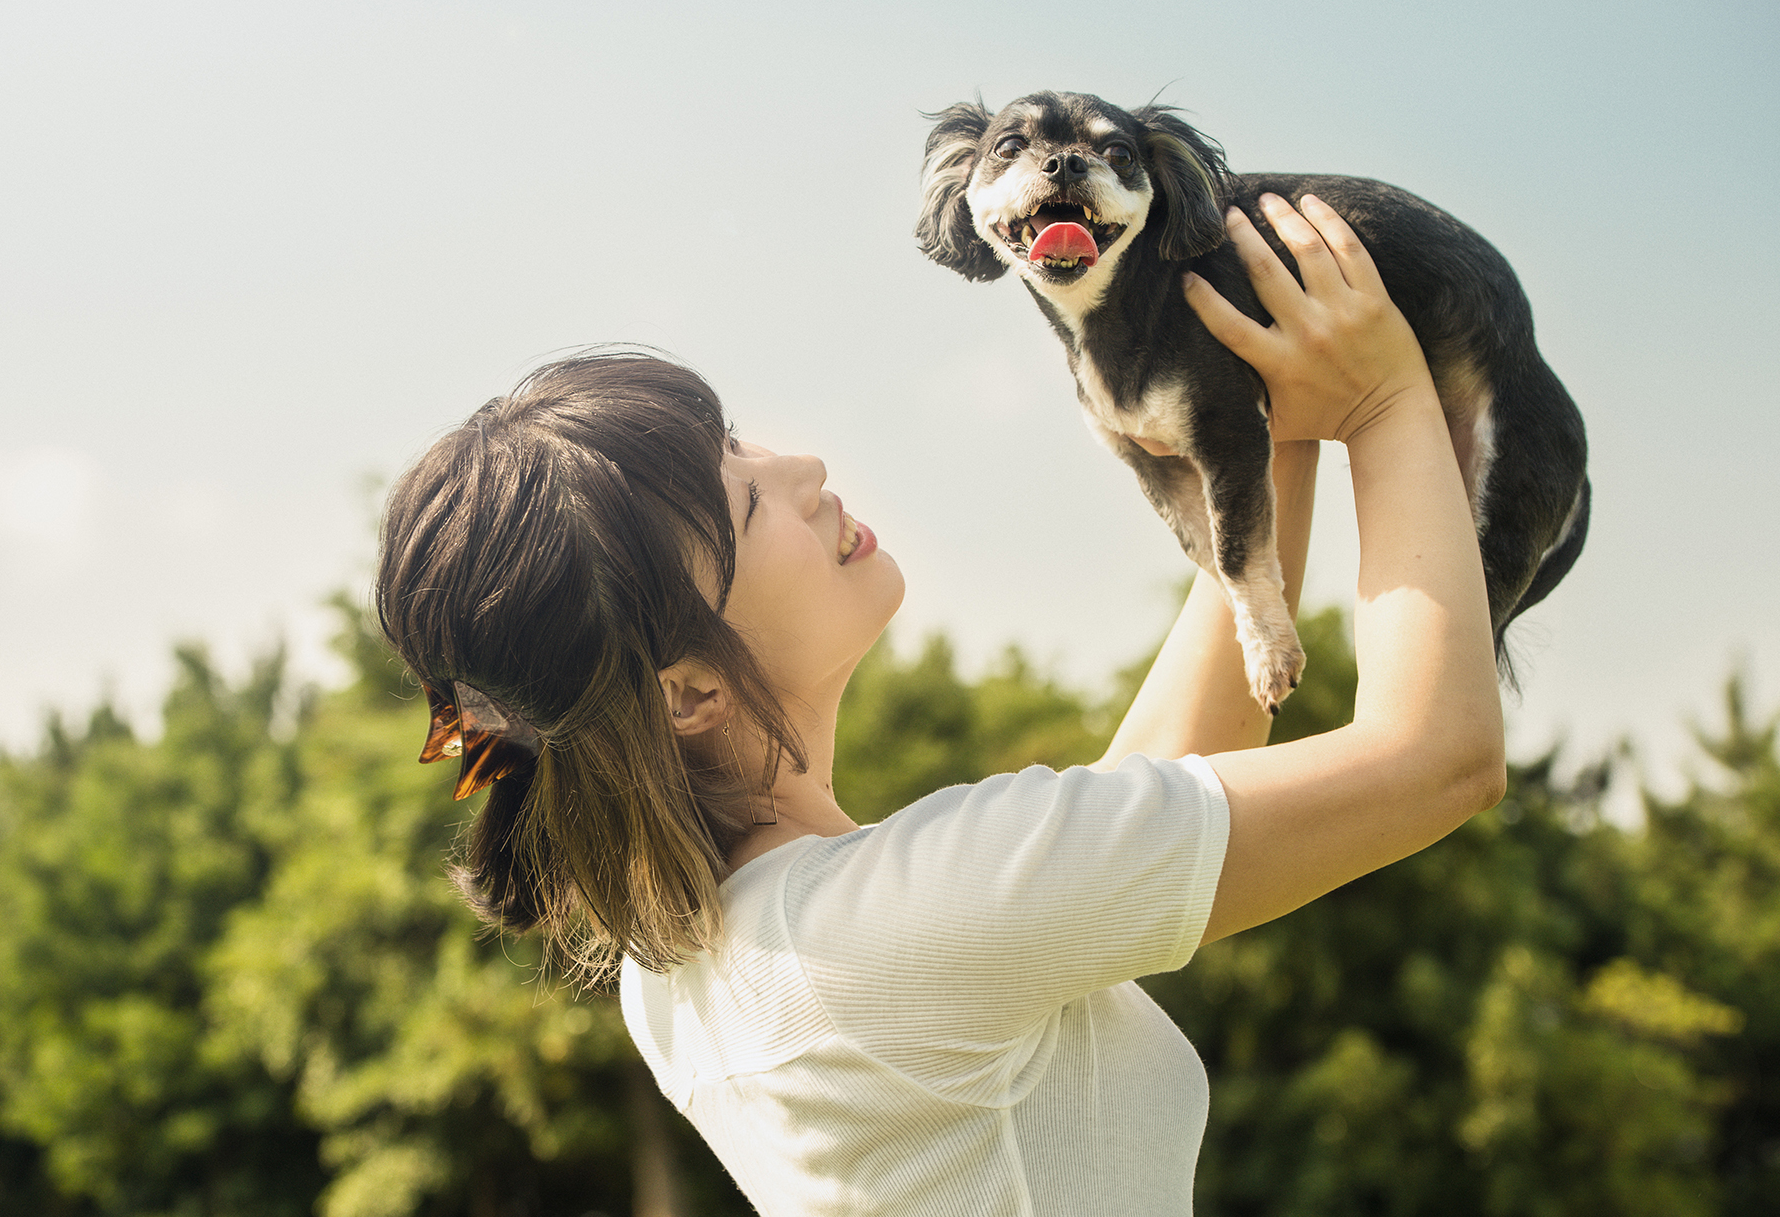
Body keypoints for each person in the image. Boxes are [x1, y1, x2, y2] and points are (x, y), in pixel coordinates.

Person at [374, 195, 1505, 1214]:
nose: (800, 468)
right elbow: (1432, 755)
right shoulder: (897, 918)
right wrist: (1383, 397)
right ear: (687, 689)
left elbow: (1138, 801)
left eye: (733, 442)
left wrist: (1261, 420)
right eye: (741, 504)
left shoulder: (687, 967)